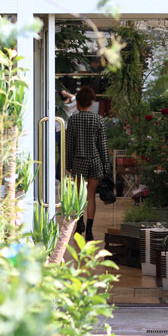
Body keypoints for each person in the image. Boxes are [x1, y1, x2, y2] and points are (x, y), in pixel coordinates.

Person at [65, 86, 109, 241]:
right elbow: (102, 144)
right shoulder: (98, 120)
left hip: (78, 161)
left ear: (77, 102)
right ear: (91, 102)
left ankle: (80, 224)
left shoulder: (73, 120)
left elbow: (69, 144)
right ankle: (90, 230)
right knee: (90, 196)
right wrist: (106, 164)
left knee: (79, 195)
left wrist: (67, 163)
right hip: (95, 160)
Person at [55, 89, 77, 181]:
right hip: (64, 132)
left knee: (61, 154)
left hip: (56, 132)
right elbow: (77, 100)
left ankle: (59, 174)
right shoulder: (66, 108)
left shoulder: (55, 107)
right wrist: (68, 94)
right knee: (64, 154)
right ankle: (59, 175)